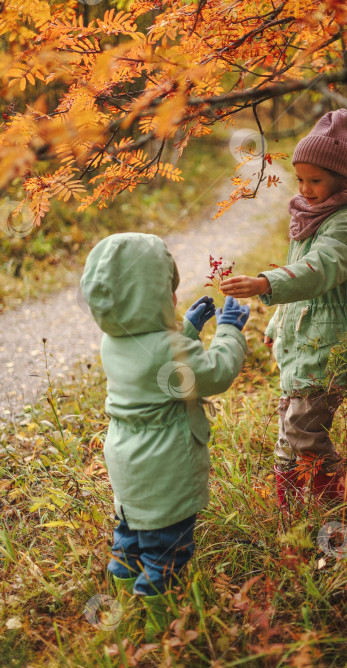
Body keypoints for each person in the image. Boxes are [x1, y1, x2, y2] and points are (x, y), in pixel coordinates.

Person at [80, 232, 249, 639]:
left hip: (126, 463)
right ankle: (161, 631)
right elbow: (213, 374)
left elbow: (163, 373)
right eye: (165, 292)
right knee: (167, 551)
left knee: (130, 538)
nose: (172, 299)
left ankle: (122, 607)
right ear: (151, 299)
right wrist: (228, 332)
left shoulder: (113, 341)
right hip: (164, 468)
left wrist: (187, 330)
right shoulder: (167, 349)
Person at [220, 108, 347, 510]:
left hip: (330, 343)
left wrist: (265, 283)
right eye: (301, 179)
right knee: (289, 428)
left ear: (341, 178)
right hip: (305, 342)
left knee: (305, 432)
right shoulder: (312, 215)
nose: (307, 189)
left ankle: (335, 505)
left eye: (317, 180)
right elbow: (303, 282)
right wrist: (279, 319)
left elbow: (319, 270)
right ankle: (290, 511)